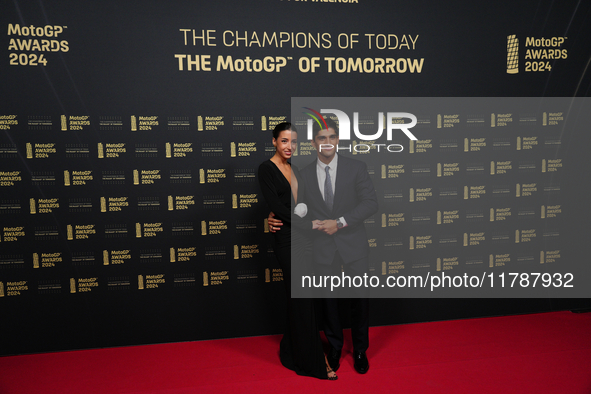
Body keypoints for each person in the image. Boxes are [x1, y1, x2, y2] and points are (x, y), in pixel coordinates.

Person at [268, 117, 378, 374]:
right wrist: (273, 215)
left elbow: (370, 203)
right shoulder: (302, 174)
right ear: (313, 142)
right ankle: (336, 347)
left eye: (331, 137)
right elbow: (293, 209)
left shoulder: (357, 167)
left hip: (353, 245)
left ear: (338, 140)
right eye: (321, 138)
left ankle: (360, 350)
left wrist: (339, 222)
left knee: (360, 300)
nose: (327, 142)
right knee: (328, 302)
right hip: (321, 248)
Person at [257, 122, 337, 380]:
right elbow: (277, 207)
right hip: (287, 241)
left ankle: (290, 350)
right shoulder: (266, 169)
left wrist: (311, 220)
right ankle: (316, 360)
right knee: (302, 298)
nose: (289, 147)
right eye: (283, 141)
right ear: (273, 142)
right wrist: (307, 222)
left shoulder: (297, 169)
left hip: (305, 240)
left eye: (293, 142)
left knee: (302, 298)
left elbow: (308, 202)